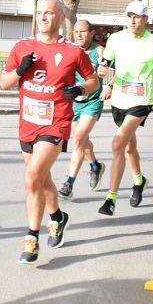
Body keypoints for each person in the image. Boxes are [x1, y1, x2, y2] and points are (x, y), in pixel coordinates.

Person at [0, 0, 98, 264]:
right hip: (28, 125)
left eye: (49, 13)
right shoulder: (22, 47)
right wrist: (20, 70)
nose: (43, 17)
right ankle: (58, 217)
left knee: (32, 177)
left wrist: (79, 89)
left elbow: (93, 81)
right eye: (39, 13)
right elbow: (4, 82)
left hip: (56, 124)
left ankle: (31, 240)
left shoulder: (73, 52)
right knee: (42, 180)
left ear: (60, 18)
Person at [96, 0, 153, 217]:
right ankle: (139, 181)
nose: (132, 20)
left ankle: (111, 199)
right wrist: (105, 76)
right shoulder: (116, 39)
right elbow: (107, 64)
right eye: (129, 16)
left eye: (137, 16)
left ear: (145, 19)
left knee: (118, 143)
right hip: (119, 101)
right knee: (129, 148)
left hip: (141, 101)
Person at [57, 19, 105, 198]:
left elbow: (112, 69)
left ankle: (69, 184)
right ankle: (95, 166)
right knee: (82, 140)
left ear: (91, 33)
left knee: (78, 139)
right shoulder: (70, 51)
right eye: (76, 32)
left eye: (83, 31)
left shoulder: (98, 51)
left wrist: (108, 83)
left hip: (92, 101)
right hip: (74, 101)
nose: (78, 35)